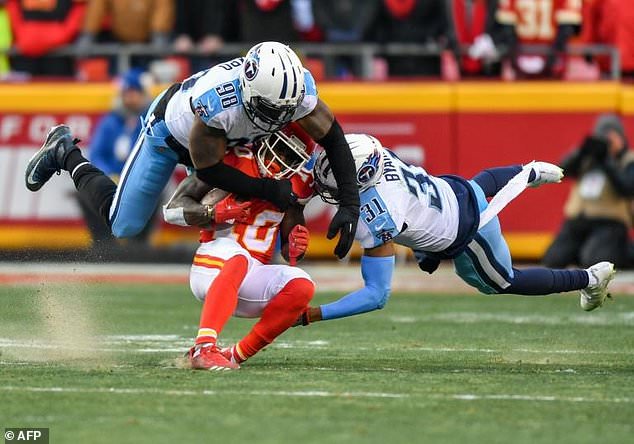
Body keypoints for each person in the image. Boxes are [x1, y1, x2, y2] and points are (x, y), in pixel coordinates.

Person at [24, 41, 360, 260]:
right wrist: (267, 190)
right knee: (123, 225)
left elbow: (333, 137)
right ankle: (64, 152)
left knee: (272, 178)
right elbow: (208, 168)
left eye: (286, 109)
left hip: (232, 139)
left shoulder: (293, 91)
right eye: (272, 109)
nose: (280, 118)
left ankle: (268, 254)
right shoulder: (217, 104)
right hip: (171, 136)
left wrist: (349, 202)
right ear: (249, 90)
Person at [294, 134, 617, 327]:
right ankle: (526, 171)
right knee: (478, 186)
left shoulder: (379, 214)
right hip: (453, 191)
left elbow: (377, 295)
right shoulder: (371, 150)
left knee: (503, 281)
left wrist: (312, 315)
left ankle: (590, 278)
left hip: (467, 229)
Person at [164, 123, 315, 370]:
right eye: (282, 149)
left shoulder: (296, 184)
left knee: (302, 285)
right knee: (239, 258)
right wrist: (213, 213)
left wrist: (296, 243)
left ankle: (235, 354)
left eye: (292, 157)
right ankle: (204, 347)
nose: (283, 161)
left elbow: (289, 245)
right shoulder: (233, 160)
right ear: (266, 140)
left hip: (251, 275)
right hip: (212, 266)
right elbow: (171, 210)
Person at [543, 114, 634, 269]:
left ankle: (624, 251)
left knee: (594, 260)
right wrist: (582, 152)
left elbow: (627, 187)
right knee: (553, 259)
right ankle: (584, 250)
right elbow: (562, 170)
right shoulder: (587, 158)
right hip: (578, 222)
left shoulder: (627, 160)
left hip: (609, 223)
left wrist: (608, 161)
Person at [79, 68, 152, 247]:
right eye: (127, 94)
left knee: (156, 190)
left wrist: (132, 177)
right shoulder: (110, 121)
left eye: (135, 93)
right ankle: (104, 243)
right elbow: (96, 153)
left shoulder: (150, 119)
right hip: (112, 178)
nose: (131, 98)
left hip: (139, 180)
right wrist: (109, 174)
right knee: (86, 191)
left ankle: (138, 244)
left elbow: (152, 154)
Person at [494, 0, 582, 78]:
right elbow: (568, 28)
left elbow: (506, 28)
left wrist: (513, 52)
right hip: (545, 51)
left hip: (524, 51)